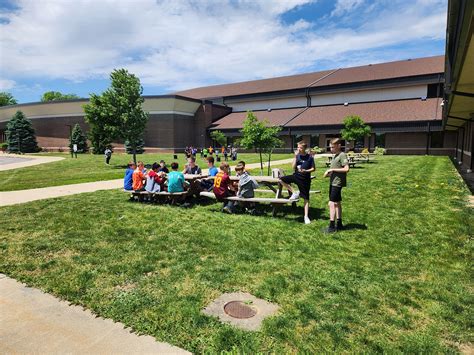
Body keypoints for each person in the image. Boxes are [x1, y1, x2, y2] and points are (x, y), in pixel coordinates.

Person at [279, 142, 315, 224]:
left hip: (305, 179)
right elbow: (293, 167)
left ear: (304, 148)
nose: (298, 149)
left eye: (300, 148)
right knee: (281, 180)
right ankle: (294, 192)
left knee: (306, 198)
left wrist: (306, 171)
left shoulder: (310, 157)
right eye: (297, 147)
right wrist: (295, 157)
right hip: (296, 176)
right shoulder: (297, 156)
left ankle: (306, 217)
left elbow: (313, 168)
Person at [323, 138, 349, 233]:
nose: (331, 149)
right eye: (330, 147)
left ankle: (331, 226)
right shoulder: (335, 156)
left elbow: (346, 169)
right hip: (333, 182)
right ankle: (339, 224)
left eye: (333, 147)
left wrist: (332, 170)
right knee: (337, 203)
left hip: (337, 183)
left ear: (338, 146)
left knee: (331, 203)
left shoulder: (342, 155)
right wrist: (329, 174)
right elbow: (336, 169)